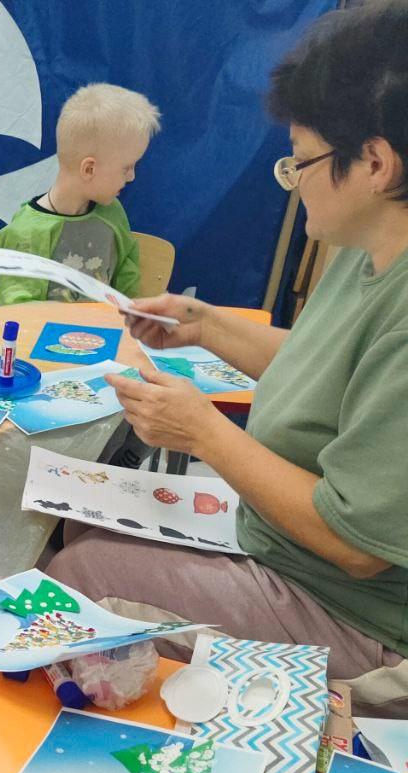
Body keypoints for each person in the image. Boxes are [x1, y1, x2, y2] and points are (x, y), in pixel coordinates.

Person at [48, 0, 408, 714]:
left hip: (355, 615)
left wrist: (203, 432)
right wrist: (204, 325)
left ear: (374, 162)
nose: (293, 178)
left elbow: (355, 544)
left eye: (301, 162)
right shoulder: (369, 242)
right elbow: (328, 367)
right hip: (281, 545)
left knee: (75, 580)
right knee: (84, 518)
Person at [0, 84, 160, 306]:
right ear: (89, 169)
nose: (131, 177)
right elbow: (18, 309)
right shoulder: (27, 232)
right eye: (126, 168)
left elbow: (127, 284)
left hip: (107, 328)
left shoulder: (112, 213)